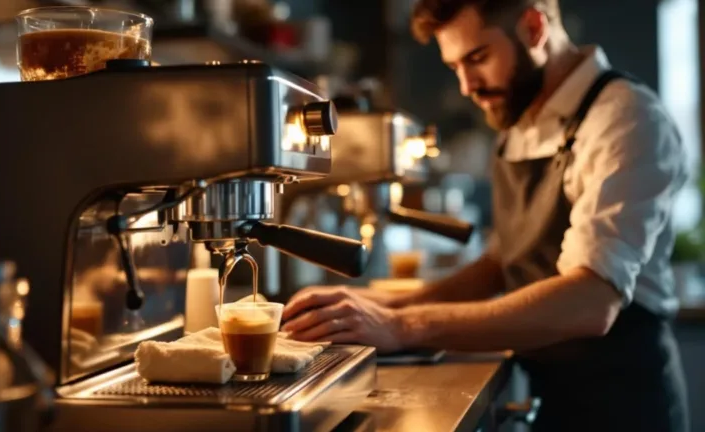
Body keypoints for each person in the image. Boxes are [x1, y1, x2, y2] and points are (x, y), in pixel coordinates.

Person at [280, 1, 690, 431]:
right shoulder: (520, 121)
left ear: (533, 27)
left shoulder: (625, 118)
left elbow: (590, 302)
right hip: (549, 386)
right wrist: (381, 306)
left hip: (621, 401)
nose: (466, 85)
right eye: (455, 66)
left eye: (478, 59)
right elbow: (502, 262)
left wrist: (403, 325)